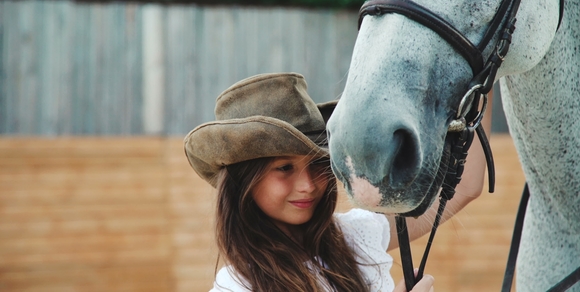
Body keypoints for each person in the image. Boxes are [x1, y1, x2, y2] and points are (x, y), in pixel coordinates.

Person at [184, 72, 491, 292]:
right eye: (284, 168)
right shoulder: (236, 286)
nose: (307, 185)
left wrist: (482, 77)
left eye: (317, 164)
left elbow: (464, 185)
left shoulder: (355, 236)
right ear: (244, 183)